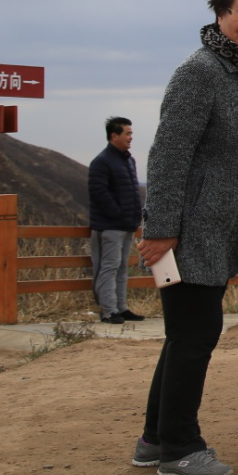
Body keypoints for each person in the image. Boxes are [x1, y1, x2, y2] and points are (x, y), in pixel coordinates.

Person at [135, 0, 238, 475]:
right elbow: (169, 153)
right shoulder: (201, 71)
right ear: (221, 14)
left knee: (185, 335)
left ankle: (155, 439)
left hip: (217, 230)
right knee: (195, 334)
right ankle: (180, 447)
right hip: (189, 229)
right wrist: (160, 228)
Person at [88, 116, 144, 325]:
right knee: (109, 267)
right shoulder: (102, 161)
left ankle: (121, 308)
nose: (131, 137)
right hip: (109, 226)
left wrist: (133, 217)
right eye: (127, 133)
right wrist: (118, 213)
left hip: (126, 225)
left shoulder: (128, 160)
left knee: (121, 267)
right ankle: (108, 311)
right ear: (114, 136)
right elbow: (98, 192)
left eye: (131, 133)